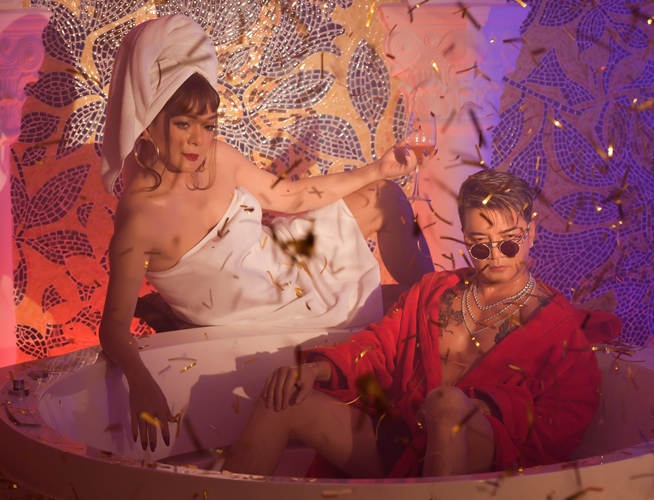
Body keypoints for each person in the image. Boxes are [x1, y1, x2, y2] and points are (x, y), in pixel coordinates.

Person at [97, 15, 433, 453]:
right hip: (265, 309)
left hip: (284, 257)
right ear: (149, 120)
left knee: (383, 196)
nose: (198, 141)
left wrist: (379, 169)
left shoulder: (217, 157)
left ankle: (441, 297)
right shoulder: (140, 218)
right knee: (401, 310)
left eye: (208, 125)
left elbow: (290, 197)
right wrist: (141, 383)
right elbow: (113, 326)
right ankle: (436, 323)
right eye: (183, 124)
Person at [223, 169, 622, 477]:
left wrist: (491, 407)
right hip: (403, 439)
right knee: (282, 395)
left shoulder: (557, 325)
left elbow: (565, 420)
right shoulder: (435, 291)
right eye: (480, 245)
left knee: (446, 402)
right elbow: (378, 347)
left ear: (531, 232)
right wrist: (313, 370)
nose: (496, 256)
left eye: (509, 241)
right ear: (465, 237)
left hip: (483, 462)